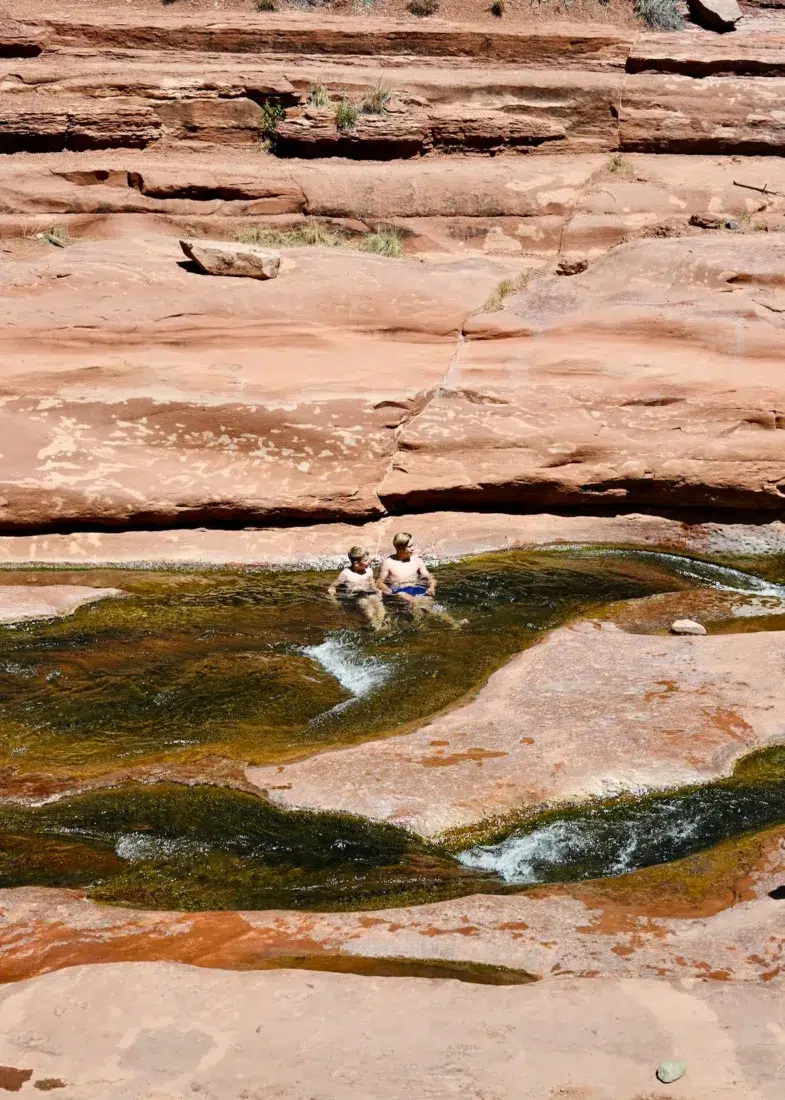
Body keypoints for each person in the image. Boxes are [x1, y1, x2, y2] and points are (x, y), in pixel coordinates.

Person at [377, 532, 463, 627]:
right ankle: (423, 626)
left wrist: (432, 586)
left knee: (433, 606)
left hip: (415, 589)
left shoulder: (417, 561)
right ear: (400, 548)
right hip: (400, 592)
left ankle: (453, 622)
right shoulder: (389, 563)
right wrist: (391, 592)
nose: (413, 548)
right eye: (410, 546)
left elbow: (430, 577)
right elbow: (380, 582)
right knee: (415, 605)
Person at [327, 546, 386, 631]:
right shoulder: (346, 574)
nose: (369, 561)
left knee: (381, 610)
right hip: (355, 597)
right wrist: (334, 600)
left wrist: (377, 591)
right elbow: (332, 588)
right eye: (365, 560)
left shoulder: (369, 571)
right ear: (356, 563)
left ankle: (377, 626)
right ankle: (376, 629)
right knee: (368, 610)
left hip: (369, 594)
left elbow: (371, 583)